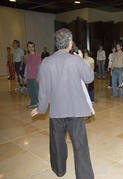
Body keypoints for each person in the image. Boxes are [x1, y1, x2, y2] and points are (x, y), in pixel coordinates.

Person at [31, 28, 95, 178]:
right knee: (80, 146)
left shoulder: (46, 62)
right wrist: (83, 60)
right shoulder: (76, 60)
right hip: (76, 110)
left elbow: (44, 89)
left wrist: (41, 108)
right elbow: (89, 78)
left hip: (57, 111)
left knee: (57, 144)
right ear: (70, 43)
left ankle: (59, 170)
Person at [24, 41, 42, 109]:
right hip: (29, 77)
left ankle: (41, 103)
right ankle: (33, 103)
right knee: (30, 91)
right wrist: (25, 77)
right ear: (27, 48)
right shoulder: (27, 56)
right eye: (29, 47)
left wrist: (38, 76)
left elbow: (40, 67)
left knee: (37, 91)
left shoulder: (38, 56)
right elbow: (26, 67)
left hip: (35, 77)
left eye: (32, 47)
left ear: (34, 47)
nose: (31, 48)